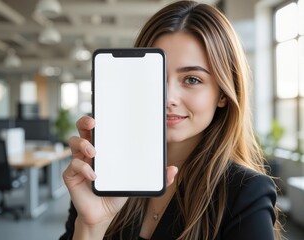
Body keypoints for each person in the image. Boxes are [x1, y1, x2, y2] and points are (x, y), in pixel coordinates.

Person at [60, 1, 282, 239]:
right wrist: (91, 225)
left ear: (223, 94)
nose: (168, 98)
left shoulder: (245, 193)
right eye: (156, 78)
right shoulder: (105, 176)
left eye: (192, 79)